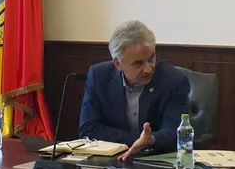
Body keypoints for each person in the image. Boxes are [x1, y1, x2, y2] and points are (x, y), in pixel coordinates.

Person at [78, 20, 190, 161]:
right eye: (138, 63)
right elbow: (88, 129)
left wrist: (151, 140)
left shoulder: (174, 81)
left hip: (156, 160)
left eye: (151, 59)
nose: (149, 68)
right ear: (118, 63)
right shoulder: (98, 76)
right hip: (111, 160)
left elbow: (175, 132)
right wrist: (139, 140)